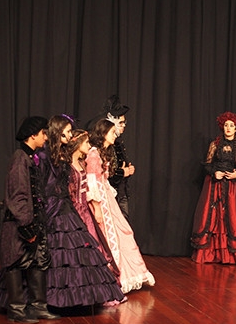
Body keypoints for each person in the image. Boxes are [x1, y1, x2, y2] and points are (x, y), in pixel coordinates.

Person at [38, 115, 126, 308]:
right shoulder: (47, 157)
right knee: (59, 252)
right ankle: (50, 298)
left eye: (71, 132)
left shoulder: (65, 158)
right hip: (56, 207)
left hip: (69, 207)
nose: (69, 135)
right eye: (67, 131)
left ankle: (80, 296)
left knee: (79, 251)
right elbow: (48, 185)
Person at [0, 117, 52, 323]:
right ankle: (17, 310)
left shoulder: (30, 157)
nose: (46, 137)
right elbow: (17, 194)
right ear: (33, 135)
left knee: (37, 261)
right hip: (19, 223)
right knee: (16, 261)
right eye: (43, 133)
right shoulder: (19, 158)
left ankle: (38, 307)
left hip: (33, 220)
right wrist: (26, 224)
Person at [87, 118, 155, 292]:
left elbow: (103, 180)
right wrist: (97, 208)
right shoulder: (93, 154)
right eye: (112, 132)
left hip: (107, 198)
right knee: (107, 236)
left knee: (123, 232)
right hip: (100, 200)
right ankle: (111, 277)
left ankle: (129, 274)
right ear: (103, 133)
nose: (115, 135)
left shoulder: (102, 153)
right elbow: (92, 183)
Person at [190, 111, 236, 264]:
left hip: (230, 187)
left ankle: (229, 256)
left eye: (231, 126)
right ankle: (208, 254)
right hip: (214, 185)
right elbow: (207, 164)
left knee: (231, 217)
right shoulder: (215, 144)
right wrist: (214, 173)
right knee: (211, 215)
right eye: (226, 125)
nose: (228, 128)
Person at [68, 129, 121, 286]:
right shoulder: (69, 166)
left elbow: (87, 187)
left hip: (85, 209)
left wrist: (94, 208)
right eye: (86, 142)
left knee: (94, 245)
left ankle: (96, 284)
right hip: (74, 210)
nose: (89, 145)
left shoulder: (81, 163)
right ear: (77, 144)